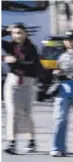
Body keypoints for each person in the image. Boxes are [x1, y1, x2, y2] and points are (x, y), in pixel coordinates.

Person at [2, 23, 40, 155]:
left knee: (25, 113)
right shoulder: (10, 46)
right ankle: (11, 142)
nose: (17, 35)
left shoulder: (32, 48)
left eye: (20, 33)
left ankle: (31, 140)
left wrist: (15, 61)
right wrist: (6, 31)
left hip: (27, 82)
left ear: (25, 34)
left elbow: (33, 66)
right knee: (12, 112)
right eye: (15, 33)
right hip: (12, 81)